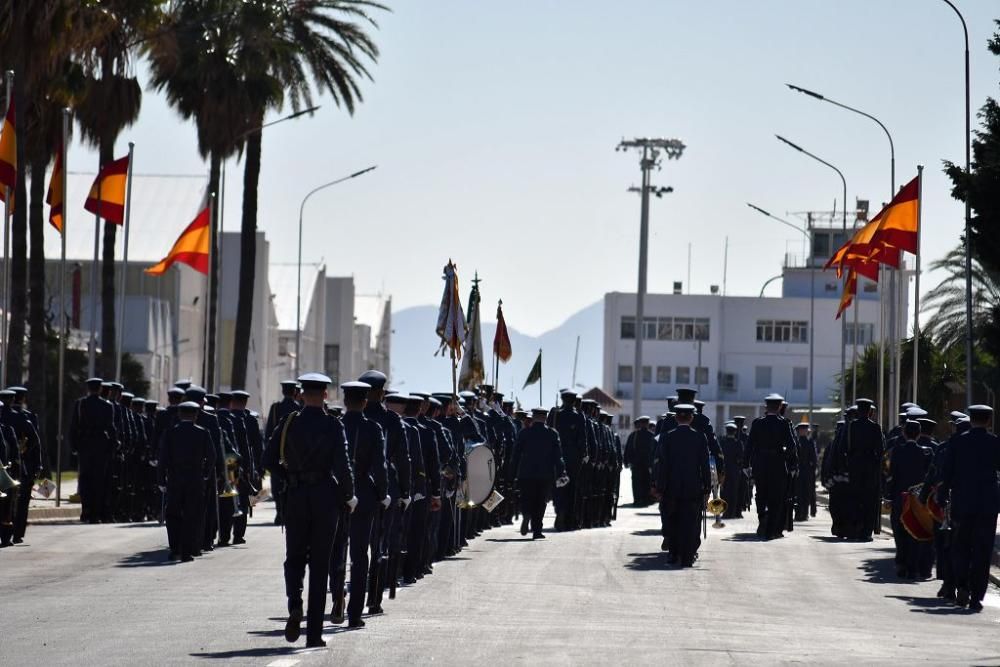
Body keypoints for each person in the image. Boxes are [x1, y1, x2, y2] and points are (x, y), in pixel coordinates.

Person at [263, 373, 356, 647]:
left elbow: (267, 458)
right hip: (326, 498)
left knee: (294, 557)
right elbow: (344, 465)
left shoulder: (289, 422)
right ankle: (313, 634)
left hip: (296, 496)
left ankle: (294, 602)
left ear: (302, 395)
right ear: (325, 395)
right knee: (320, 564)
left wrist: (289, 476)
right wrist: (348, 495)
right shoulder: (333, 425)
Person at [329, 381, 388, 629]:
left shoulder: (335, 425)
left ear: (344, 401)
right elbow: (379, 465)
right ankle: (354, 613)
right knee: (360, 556)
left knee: (336, 551)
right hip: (363, 494)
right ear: (365, 402)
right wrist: (384, 493)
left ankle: (337, 596)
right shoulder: (373, 429)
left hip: (336, 495)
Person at [938, 405, 1000, 612]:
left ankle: (962, 585)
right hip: (988, 506)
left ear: (971, 419)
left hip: (962, 503)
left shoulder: (957, 441)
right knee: (983, 551)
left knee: (960, 547)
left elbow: (947, 472)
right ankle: (977, 596)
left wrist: (941, 496)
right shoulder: (995, 443)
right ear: (989, 421)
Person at [359, 370, 410, 615]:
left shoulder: (354, 416)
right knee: (378, 546)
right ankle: (374, 599)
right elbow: (403, 458)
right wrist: (406, 491)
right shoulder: (391, 420)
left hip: (353, 488)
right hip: (384, 487)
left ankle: (341, 593)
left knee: (351, 547)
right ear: (381, 393)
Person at [652, 403, 710, 567]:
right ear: (691, 418)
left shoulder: (667, 436)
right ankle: (688, 556)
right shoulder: (700, 437)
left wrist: (659, 486)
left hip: (672, 486)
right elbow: (704, 465)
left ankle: (673, 553)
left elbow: (662, 464)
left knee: (673, 519)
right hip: (693, 486)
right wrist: (707, 486)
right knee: (691, 521)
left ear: (676, 417)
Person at [157, 401, 214, 562]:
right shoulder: (203, 433)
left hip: (175, 479)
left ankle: (175, 548)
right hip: (195, 479)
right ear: (196, 415)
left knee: (173, 514)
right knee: (192, 515)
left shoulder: (170, 433)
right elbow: (212, 457)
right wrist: (204, 474)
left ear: (180, 415)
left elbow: (163, 458)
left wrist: (161, 479)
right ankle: (187, 551)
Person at [745, 394, 797, 540]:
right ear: (780, 407)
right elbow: (792, 447)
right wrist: (791, 462)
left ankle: (763, 517)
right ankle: (772, 529)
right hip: (778, 464)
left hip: (760, 464)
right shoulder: (784, 423)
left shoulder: (757, 423)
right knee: (776, 497)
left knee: (761, 494)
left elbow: (749, 445)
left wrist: (745, 464)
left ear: (766, 407)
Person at [511, 408, 567, 539]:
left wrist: (512, 472)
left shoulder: (524, 433)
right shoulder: (552, 434)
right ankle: (537, 530)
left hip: (526, 473)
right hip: (545, 474)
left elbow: (516, 454)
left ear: (533, 417)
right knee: (540, 502)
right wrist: (561, 472)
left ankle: (526, 514)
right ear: (545, 418)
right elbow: (558, 456)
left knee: (526, 497)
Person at [69, 378, 117, 524]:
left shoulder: (80, 404)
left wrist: (74, 446)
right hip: (101, 446)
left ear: (88, 388)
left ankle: (86, 511)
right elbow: (111, 428)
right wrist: (112, 447)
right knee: (98, 481)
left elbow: (73, 427)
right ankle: (95, 514)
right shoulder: (107, 406)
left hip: (85, 445)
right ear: (100, 389)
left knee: (84, 479)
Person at [844, 398, 884, 541]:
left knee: (855, 498)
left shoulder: (852, 426)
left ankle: (855, 529)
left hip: (855, 466)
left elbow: (847, 447)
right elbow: (880, 450)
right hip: (870, 468)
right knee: (870, 500)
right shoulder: (875, 427)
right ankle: (866, 531)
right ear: (869, 412)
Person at [548, 389, 587, 530]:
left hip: (557, 456)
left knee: (558, 487)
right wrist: (583, 455)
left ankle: (560, 511)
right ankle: (569, 519)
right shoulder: (579, 417)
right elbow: (583, 440)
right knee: (572, 489)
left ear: (563, 399)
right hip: (573, 459)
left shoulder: (555, 415)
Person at [623, 416, 655, 507]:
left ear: (640, 423)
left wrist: (626, 461)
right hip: (647, 464)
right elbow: (655, 450)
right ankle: (645, 500)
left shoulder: (633, 435)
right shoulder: (652, 435)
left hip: (636, 463)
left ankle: (637, 500)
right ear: (648, 424)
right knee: (646, 482)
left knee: (636, 482)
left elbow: (628, 449)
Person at [719, 422, 743, 519]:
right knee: (733, 492)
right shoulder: (738, 443)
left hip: (723, 470)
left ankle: (724, 511)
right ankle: (731, 512)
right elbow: (741, 458)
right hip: (734, 470)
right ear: (735, 432)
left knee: (723, 491)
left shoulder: (722, 442)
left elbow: (719, 456)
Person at [794, 423, 818, 522]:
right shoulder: (795, 442)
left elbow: (814, 458)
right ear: (798, 431)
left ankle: (804, 513)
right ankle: (798, 513)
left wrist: (813, 470)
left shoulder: (810, 442)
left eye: (805, 430)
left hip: (807, 471)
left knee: (806, 493)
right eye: (801, 430)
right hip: (798, 470)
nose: (803, 432)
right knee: (797, 493)